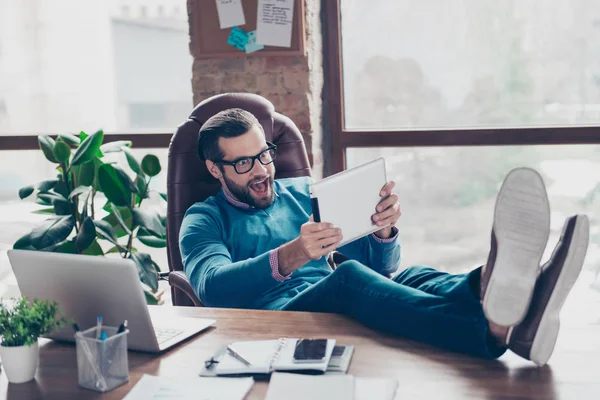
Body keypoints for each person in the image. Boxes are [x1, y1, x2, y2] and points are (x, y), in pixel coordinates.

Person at [179, 108, 590, 366]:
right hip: (276, 323)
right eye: (245, 163)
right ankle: (490, 332)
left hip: (339, 299)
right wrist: (292, 254)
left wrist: (383, 231)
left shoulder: (304, 193)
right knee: (347, 277)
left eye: (265, 154)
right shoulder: (203, 220)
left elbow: (382, 269)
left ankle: (510, 292)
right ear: (215, 169)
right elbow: (214, 289)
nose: (262, 170)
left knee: (412, 276)